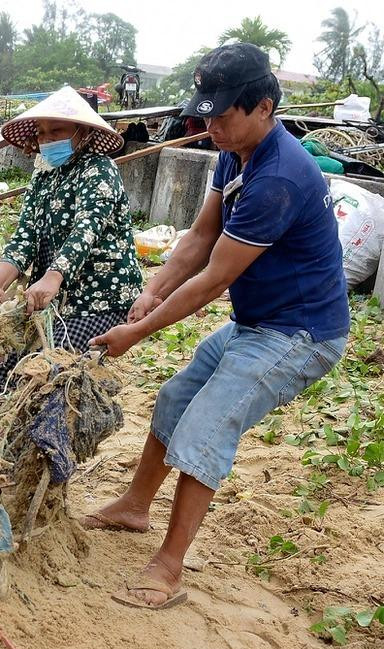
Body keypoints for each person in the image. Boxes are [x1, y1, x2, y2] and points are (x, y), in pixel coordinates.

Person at [86, 43, 350, 610]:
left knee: (206, 424)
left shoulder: (280, 177)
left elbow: (212, 281)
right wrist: (151, 290)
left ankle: (169, 565)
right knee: (176, 397)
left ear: (264, 107)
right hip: (257, 321)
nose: (211, 127)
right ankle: (135, 505)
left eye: (223, 116)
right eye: (205, 114)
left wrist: (138, 331)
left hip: (299, 334)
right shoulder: (235, 152)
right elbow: (201, 237)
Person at [0, 86, 142, 389]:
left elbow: (87, 228)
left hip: (98, 299)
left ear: (82, 132)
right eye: (42, 133)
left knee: (45, 373)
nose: (47, 139)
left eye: (56, 131)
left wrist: (54, 276)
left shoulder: (100, 170)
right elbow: (26, 234)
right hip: (51, 297)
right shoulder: (43, 176)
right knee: (1, 362)